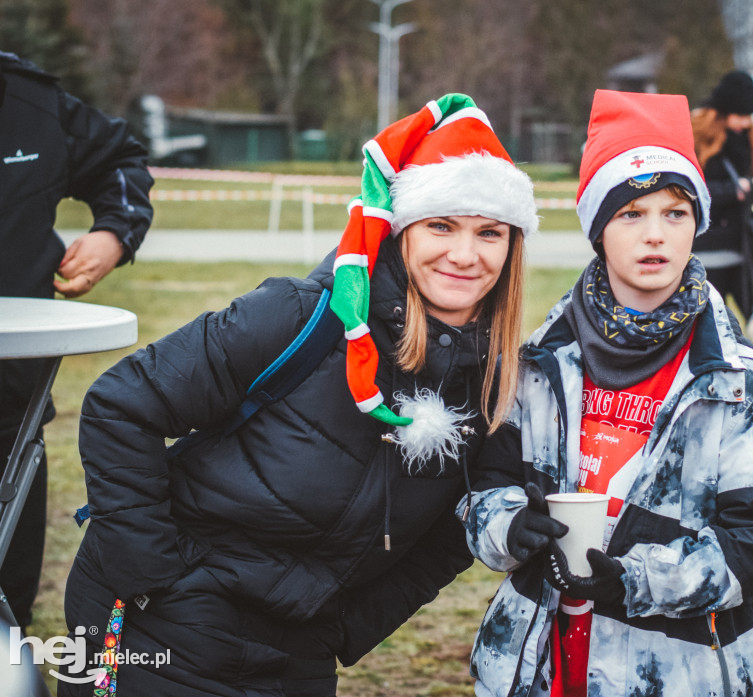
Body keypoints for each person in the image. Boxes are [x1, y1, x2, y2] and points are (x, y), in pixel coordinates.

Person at [59, 94, 538, 696]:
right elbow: (121, 404)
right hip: (159, 626)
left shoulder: (493, 387)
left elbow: (450, 539)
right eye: (441, 225)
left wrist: (344, 630)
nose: (465, 254)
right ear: (401, 231)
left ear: (511, 248)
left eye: (489, 233)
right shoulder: (300, 316)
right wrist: (153, 576)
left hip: (298, 652)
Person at [460, 90, 753, 697]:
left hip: (674, 671)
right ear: (598, 229)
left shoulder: (740, 380)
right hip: (539, 663)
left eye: (675, 213)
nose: (655, 236)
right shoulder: (538, 360)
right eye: (631, 214)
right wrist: (512, 528)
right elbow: (486, 486)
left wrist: (635, 582)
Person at [0, 50, 154, 629]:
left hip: (11, 410)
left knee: (8, 607)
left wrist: (114, 233)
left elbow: (120, 160)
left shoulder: (31, 100)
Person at [691, 70, 753, 320]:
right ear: (722, 113)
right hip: (707, 250)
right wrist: (735, 191)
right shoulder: (697, 139)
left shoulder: (751, 143)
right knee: (707, 328)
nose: (746, 122)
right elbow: (692, 191)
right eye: (740, 115)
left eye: (749, 116)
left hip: (747, 250)